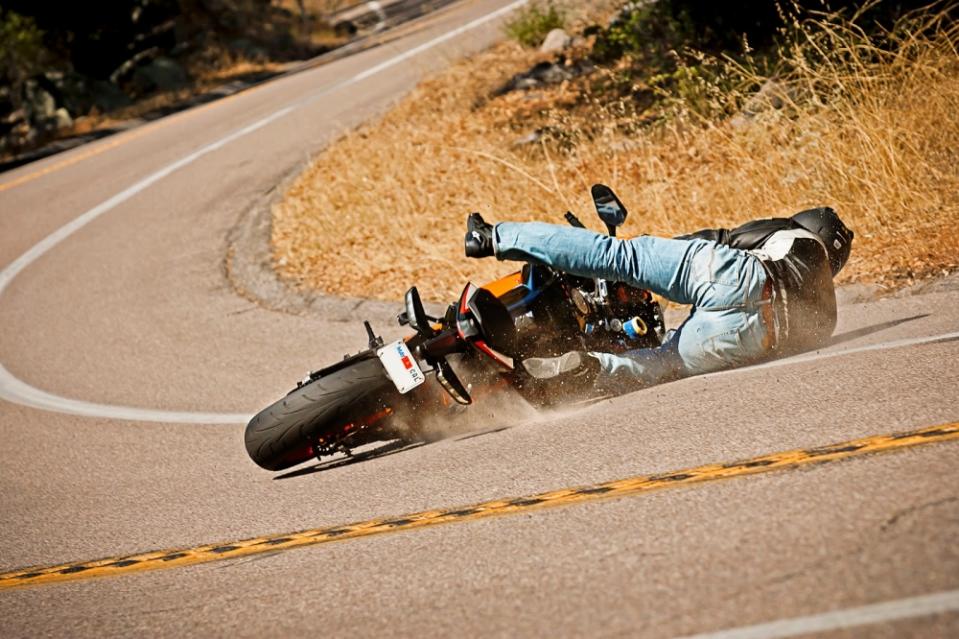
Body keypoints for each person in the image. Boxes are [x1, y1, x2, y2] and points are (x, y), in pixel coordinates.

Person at [463, 205, 853, 387]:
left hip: (743, 277)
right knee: (664, 362)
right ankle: (588, 368)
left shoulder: (799, 240)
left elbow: (723, 239)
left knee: (617, 257)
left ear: (811, 224)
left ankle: (493, 237)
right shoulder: (827, 322)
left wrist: (646, 272)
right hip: (751, 335)